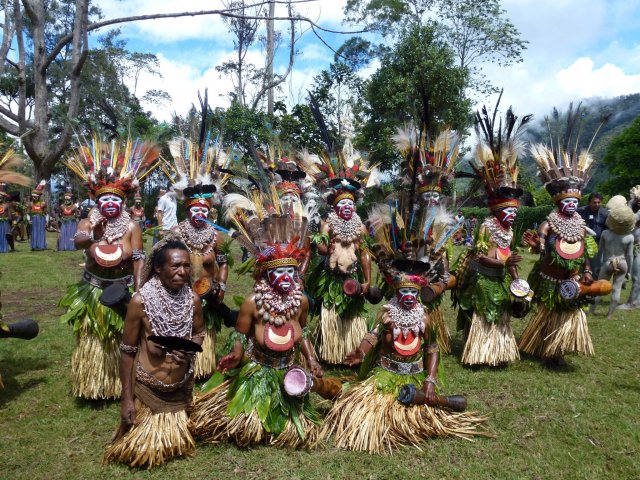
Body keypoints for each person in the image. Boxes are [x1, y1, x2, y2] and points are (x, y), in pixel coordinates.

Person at [189, 208, 331, 448]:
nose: (286, 277)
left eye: (290, 271)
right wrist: (236, 351)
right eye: (279, 272)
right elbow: (240, 334)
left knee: (293, 429)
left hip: (288, 367)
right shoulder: (253, 302)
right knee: (246, 429)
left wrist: (311, 358)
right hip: (259, 368)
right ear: (266, 275)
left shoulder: (301, 301)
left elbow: (303, 332)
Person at [321, 257, 486, 453]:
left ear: (417, 294)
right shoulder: (387, 315)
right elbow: (373, 336)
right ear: (397, 293)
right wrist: (362, 352)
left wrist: (430, 380)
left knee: (420, 413)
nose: (408, 296)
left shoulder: (425, 318)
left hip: (414, 376)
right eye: (404, 291)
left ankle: (408, 423)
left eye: (412, 292)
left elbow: (432, 349)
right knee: (370, 409)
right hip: (385, 374)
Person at [59, 136, 159, 399]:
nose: (111, 204)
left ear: (122, 202)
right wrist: (93, 234)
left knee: (122, 337)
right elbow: (78, 242)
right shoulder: (89, 220)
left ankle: (120, 383)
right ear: (97, 202)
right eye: (105, 200)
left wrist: (139, 291)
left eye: (115, 200)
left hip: (122, 288)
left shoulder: (131, 227)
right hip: (93, 289)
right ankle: (94, 384)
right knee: (94, 336)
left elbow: (138, 258)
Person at [104, 236, 204, 468]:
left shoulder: (193, 300)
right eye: (175, 265)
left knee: (178, 446)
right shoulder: (140, 302)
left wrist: (189, 350)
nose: (182, 271)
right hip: (149, 392)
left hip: (180, 390)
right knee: (139, 454)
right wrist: (126, 399)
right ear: (158, 268)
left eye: (187, 266)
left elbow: (200, 333)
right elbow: (127, 351)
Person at [452, 102, 530, 367]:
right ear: (496, 210)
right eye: (507, 212)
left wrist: (517, 280)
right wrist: (505, 264)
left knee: (502, 315)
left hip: (501, 280)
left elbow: (508, 255)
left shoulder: (508, 230)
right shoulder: (487, 225)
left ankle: (496, 352)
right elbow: (483, 258)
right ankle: (478, 352)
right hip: (485, 281)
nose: (511, 216)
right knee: (484, 313)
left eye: (514, 212)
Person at [520, 129, 606, 366]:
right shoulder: (549, 222)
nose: (571, 205)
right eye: (567, 201)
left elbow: (586, 251)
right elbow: (541, 240)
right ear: (558, 202)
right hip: (549, 277)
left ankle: (557, 348)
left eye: (575, 202)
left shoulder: (579, 223)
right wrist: (538, 245)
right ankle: (546, 348)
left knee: (567, 313)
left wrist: (587, 270)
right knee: (549, 312)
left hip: (573, 278)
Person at [168, 134, 230, 380]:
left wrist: (222, 284)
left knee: (205, 329)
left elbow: (223, 263)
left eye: (203, 209)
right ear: (187, 209)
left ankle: (204, 367)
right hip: (179, 294)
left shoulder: (217, 237)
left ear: (209, 211)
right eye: (195, 209)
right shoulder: (175, 233)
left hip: (208, 292)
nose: (199, 213)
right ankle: (181, 364)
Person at [589, 202, 635, 319]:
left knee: (599, 286)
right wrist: (629, 271)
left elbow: (600, 252)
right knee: (617, 289)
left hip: (608, 262)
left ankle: (591, 310)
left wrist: (598, 265)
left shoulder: (605, 234)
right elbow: (629, 256)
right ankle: (609, 315)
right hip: (622, 262)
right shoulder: (629, 237)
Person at [578, 192, 608, 276]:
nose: (597, 204)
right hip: (582, 243)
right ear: (589, 202)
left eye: (599, 202)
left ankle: (595, 284)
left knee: (597, 266)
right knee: (581, 265)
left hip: (598, 244)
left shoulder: (605, 214)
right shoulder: (580, 211)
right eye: (594, 202)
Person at [29, 180, 47, 250]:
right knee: (34, 232)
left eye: (35, 196)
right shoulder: (30, 204)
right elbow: (28, 212)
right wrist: (29, 220)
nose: (33, 198)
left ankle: (41, 245)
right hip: (33, 220)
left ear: (39, 196)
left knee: (40, 231)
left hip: (41, 220)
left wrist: (46, 222)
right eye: (32, 196)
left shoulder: (43, 203)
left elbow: (45, 213)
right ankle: (34, 245)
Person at [0, 183, 13, 252]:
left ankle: (4, 248)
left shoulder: (6, 205)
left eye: (1, 196)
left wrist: (11, 223)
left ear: (3, 197)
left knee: (5, 235)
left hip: (4, 222)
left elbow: (10, 215)